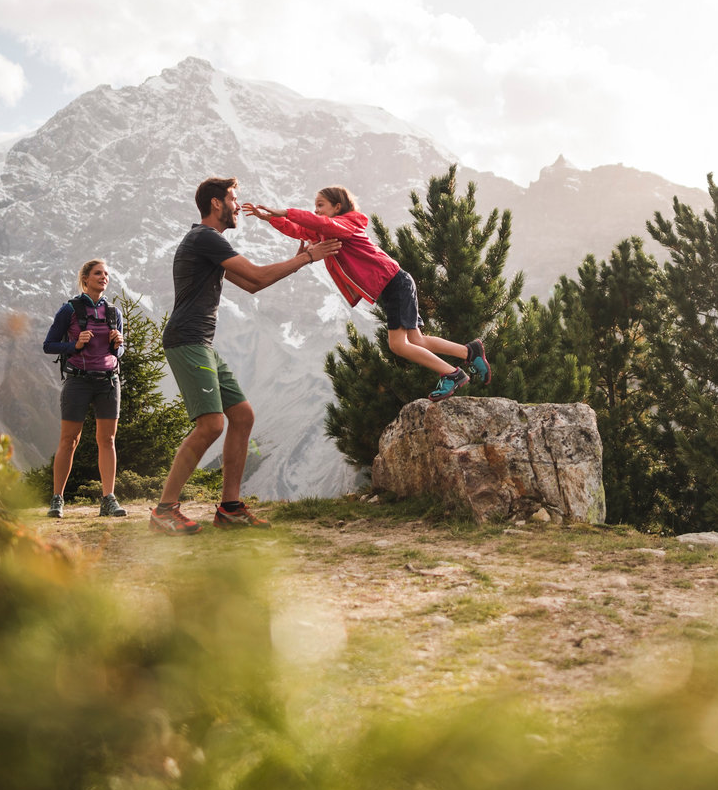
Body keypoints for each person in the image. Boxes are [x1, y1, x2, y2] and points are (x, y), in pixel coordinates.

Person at [150, 176, 343, 535]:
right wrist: (307, 258)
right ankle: (165, 510)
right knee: (211, 424)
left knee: (242, 416)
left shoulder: (211, 243)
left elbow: (254, 284)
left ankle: (230, 508)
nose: (239, 206)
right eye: (234, 199)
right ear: (216, 204)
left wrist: (301, 259)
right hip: (188, 340)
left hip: (201, 342)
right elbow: (255, 274)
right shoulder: (204, 238)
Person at [242, 185, 491, 402]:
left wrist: (285, 211)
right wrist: (269, 219)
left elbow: (319, 222)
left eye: (321, 205)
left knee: (398, 345)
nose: (316, 210)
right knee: (417, 340)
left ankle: (452, 374)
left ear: (337, 206)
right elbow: (299, 230)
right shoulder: (326, 230)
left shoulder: (346, 224)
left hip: (394, 283)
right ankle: (470, 352)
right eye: (314, 206)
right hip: (396, 283)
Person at [41, 258, 126, 518]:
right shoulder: (69, 310)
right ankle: (58, 499)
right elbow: (49, 344)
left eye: (106, 274)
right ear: (85, 278)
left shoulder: (113, 312)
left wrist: (118, 344)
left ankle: (108, 499)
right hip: (78, 380)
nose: (104, 277)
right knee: (70, 440)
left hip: (109, 381)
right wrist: (75, 345)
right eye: (98, 273)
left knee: (108, 440)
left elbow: (120, 351)